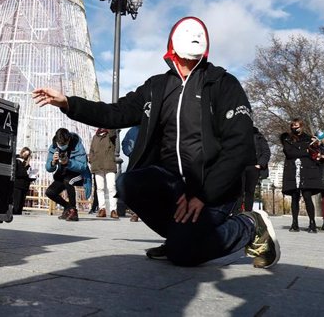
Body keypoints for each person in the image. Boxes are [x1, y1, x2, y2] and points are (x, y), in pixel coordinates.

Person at [33, 16, 280, 268]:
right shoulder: (157, 87)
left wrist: (203, 195)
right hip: (172, 183)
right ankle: (178, 236)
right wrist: (68, 103)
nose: (188, 64)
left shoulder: (223, 84)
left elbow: (239, 145)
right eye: (186, 59)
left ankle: (250, 226)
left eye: (192, 60)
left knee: (185, 254)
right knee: (128, 183)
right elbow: (115, 113)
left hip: (212, 189)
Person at [280, 119, 322, 233]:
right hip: (293, 170)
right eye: (293, 126)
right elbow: (289, 153)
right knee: (294, 197)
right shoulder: (287, 139)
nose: (295, 128)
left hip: (306, 171)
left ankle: (312, 223)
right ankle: (294, 223)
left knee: (307, 196)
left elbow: (314, 153)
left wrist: (311, 148)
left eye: (297, 126)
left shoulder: (309, 139)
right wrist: (305, 151)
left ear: (302, 127)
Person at [44, 128, 91, 222]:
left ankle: (73, 211)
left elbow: (83, 166)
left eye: (64, 144)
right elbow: (48, 168)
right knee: (50, 192)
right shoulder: (53, 146)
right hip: (63, 174)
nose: (62, 146)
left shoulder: (77, 145)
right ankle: (67, 208)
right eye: (60, 144)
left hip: (79, 174)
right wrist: (53, 162)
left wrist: (68, 162)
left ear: (69, 140)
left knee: (68, 181)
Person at [89, 128, 119, 219]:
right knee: (100, 188)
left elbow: (113, 133)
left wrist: (109, 125)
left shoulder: (111, 135)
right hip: (97, 165)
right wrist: (91, 160)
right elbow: (91, 150)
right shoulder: (95, 137)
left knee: (112, 187)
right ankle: (102, 209)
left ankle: (114, 210)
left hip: (109, 164)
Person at [241, 127, 271, 211]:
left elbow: (266, 152)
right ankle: (236, 213)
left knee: (250, 192)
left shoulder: (259, 137)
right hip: (240, 167)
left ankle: (248, 213)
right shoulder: (239, 135)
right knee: (239, 191)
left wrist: (260, 164)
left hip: (254, 167)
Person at [121, 126, 140, 222]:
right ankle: (135, 212)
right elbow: (124, 143)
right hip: (134, 162)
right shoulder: (132, 130)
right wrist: (130, 153)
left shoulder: (151, 127)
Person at [12, 147, 34, 215]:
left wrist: (33, 176)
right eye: (25, 153)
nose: (26, 155)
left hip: (25, 187)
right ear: (22, 152)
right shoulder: (16, 161)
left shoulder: (27, 165)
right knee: (16, 204)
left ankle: (19, 217)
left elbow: (29, 176)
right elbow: (16, 173)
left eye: (28, 154)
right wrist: (26, 174)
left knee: (21, 205)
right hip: (17, 186)